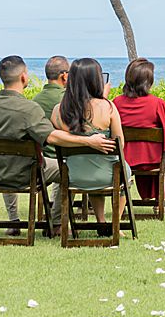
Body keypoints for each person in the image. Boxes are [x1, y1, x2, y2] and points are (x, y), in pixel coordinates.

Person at [0, 55, 114, 232]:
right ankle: (57, 222)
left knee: (7, 158)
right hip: (26, 172)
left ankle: (13, 221)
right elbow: (52, 137)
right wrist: (88, 141)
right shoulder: (28, 109)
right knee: (65, 167)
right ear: (23, 77)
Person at [51, 58, 129, 224]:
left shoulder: (58, 110)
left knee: (90, 164)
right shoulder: (107, 107)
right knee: (125, 174)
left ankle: (101, 221)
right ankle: (115, 223)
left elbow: (58, 139)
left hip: (73, 175)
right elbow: (120, 144)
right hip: (107, 175)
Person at [112, 57, 165, 202]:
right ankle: (159, 199)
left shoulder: (116, 103)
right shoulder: (157, 104)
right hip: (153, 161)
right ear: (148, 82)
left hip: (125, 160)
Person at [32, 56, 69, 157]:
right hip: (63, 158)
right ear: (64, 76)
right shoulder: (69, 99)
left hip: (43, 157)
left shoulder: (35, 100)